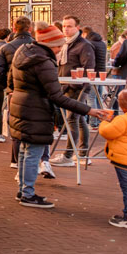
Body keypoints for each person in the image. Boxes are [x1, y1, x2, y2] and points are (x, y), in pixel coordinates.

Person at [10, 22, 108, 208]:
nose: (59, 49)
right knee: (33, 152)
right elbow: (57, 96)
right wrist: (89, 110)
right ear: (49, 44)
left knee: (25, 150)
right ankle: (28, 194)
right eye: (57, 45)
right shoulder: (43, 62)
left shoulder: (23, 52)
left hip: (20, 106)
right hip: (36, 110)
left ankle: (23, 190)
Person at [51, 15, 95, 167]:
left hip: (78, 88)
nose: (66, 29)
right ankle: (82, 153)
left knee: (72, 119)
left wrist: (78, 86)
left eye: (69, 26)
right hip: (65, 87)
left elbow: (89, 68)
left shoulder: (84, 45)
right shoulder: (65, 44)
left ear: (77, 27)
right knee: (80, 119)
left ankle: (69, 155)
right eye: (64, 26)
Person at [0, 16, 36, 165]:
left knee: (16, 125)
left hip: (14, 93)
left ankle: (15, 159)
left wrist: (8, 87)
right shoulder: (38, 46)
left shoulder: (5, 48)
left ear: (14, 28)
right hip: (35, 92)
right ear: (30, 29)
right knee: (35, 124)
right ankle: (35, 160)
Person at [98, 90, 127, 227]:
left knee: (126, 187)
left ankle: (126, 217)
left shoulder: (123, 119)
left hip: (123, 160)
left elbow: (107, 132)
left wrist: (104, 122)